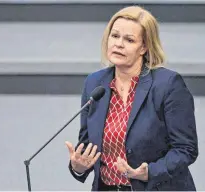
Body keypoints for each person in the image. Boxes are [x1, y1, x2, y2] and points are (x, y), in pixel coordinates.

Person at [65, 6, 198, 191]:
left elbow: (186, 149)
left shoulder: (168, 85)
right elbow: (88, 145)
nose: (118, 44)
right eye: (115, 36)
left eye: (129, 40)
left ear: (144, 47)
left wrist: (149, 172)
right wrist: (78, 167)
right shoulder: (95, 84)